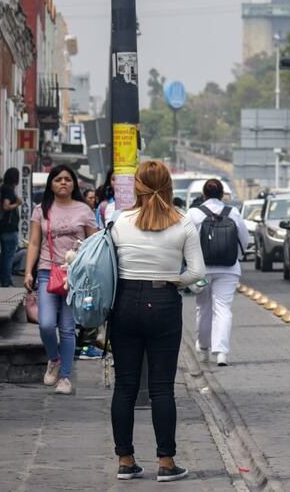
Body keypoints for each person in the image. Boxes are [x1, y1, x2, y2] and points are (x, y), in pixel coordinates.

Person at [110, 160, 205, 483]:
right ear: (168, 186)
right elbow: (196, 272)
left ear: (137, 186)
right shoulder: (183, 222)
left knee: (125, 385)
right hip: (163, 302)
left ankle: (125, 459)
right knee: (162, 388)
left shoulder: (120, 220)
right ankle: (166, 461)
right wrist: (172, 281)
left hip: (123, 301)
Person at [23, 165, 97, 394]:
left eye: (67, 179)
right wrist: (28, 272)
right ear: (51, 184)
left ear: (74, 183)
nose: (63, 183)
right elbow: (34, 243)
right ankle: (53, 359)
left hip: (74, 276)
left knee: (66, 328)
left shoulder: (84, 210)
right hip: (47, 272)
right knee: (45, 323)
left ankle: (65, 377)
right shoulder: (41, 209)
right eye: (58, 179)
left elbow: (94, 245)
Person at [188, 179, 249, 367]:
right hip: (228, 270)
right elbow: (244, 240)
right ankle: (221, 352)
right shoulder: (233, 213)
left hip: (202, 270)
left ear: (203, 195)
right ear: (222, 195)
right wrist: (234, 257)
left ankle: (203, 347)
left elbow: (185, 241)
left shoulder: (193, 214)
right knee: (223, 308)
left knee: (203, 308)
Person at [0, 167, 22, 287]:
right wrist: (17, 203)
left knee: (4, 255)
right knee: (9, 255)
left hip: (3, 227)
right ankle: (7, 281)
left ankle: (4, 280)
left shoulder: (4, 188)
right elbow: (6, 206)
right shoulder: (9, 190)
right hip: (9, 228)